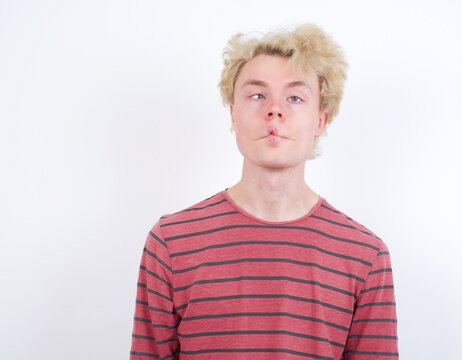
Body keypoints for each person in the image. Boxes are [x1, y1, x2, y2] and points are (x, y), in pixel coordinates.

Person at [129, 24, 399, 360]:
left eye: (295, 97)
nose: (274, 110)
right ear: (233, 113)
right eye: (257, 95)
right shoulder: (170, 243)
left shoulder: (365, 256)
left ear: (320, 120)